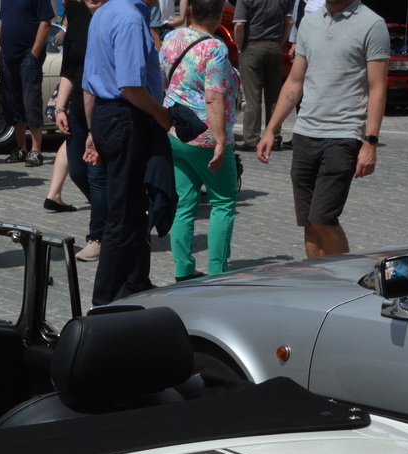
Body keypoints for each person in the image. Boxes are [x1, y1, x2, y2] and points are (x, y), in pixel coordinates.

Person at [256, 0, 387, 259]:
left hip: (343, 136)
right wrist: (271, 128)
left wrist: (370, 142)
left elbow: (378, 87)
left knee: (323, 218)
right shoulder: (311, 22)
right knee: (308, 221)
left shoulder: (373, 24)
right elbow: (295, 80)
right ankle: (318, 282)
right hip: (304, 134)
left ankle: (350, 280)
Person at [83, 0, 170, 302]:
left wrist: (94, 130)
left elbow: (89, 83)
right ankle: (104, 299)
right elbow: (130, 86)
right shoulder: (129, 18)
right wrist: (162, 115)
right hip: (126, 117)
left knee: (133, 208)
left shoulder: (104, 13)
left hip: (112, 116)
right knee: (122, 213)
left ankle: (135, 284)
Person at [162, 0, 237, 281]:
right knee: (223, 202)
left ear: (190, 11)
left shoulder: (171, 38)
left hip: (176, 130)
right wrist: (220, 140)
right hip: (206, 135)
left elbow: (162, 81)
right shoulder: (215, 47)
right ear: (219, 15)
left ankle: (183, 268)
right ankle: (218, 270)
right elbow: (213, 95)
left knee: (184, 203)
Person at [53, 0, 107, 255]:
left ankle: (99, 237)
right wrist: (59, 107)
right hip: (76, 110)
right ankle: (114, 215)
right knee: (77, 172)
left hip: (102, 109)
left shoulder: (112, 22)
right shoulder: (77, 24)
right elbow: (69, 70)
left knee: (96, 176)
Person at [0, 0, 53, 164]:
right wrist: (0, 48)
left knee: (31, 101)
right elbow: (2, 22)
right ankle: (21, 148)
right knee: (12, 102)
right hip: (7, 56)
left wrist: (34, 53)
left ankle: (36, 150)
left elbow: (46, 22)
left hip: (27, 56)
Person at [234, 0, 289, 151]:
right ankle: (275, 137)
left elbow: (239, 25)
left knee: (253, 97)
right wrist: (280, 41)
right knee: (274, 96)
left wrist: (239, 47)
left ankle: (251, 139)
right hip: (275, 46)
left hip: (252, 45)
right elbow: (289, 20)